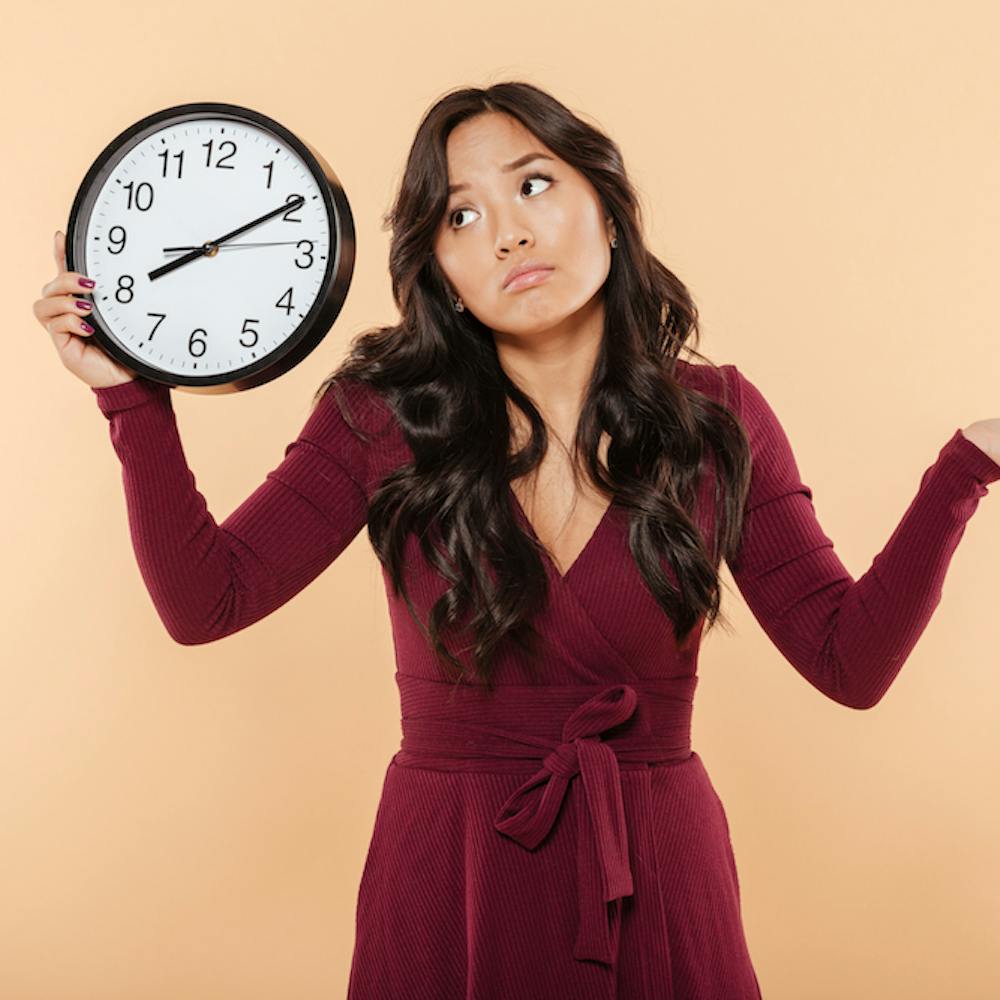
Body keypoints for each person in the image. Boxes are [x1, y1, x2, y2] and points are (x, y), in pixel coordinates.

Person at [33, 81, 1000, 999]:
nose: (508, 232)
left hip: (658, 874)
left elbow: (850, 659)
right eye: (460, 216)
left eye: (534, 183)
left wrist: (968, 465)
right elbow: (208, 604)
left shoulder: (717, 420)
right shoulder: (381, 418)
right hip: (447, 878)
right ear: (443, 273)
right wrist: (131, 400)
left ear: (608, 214)